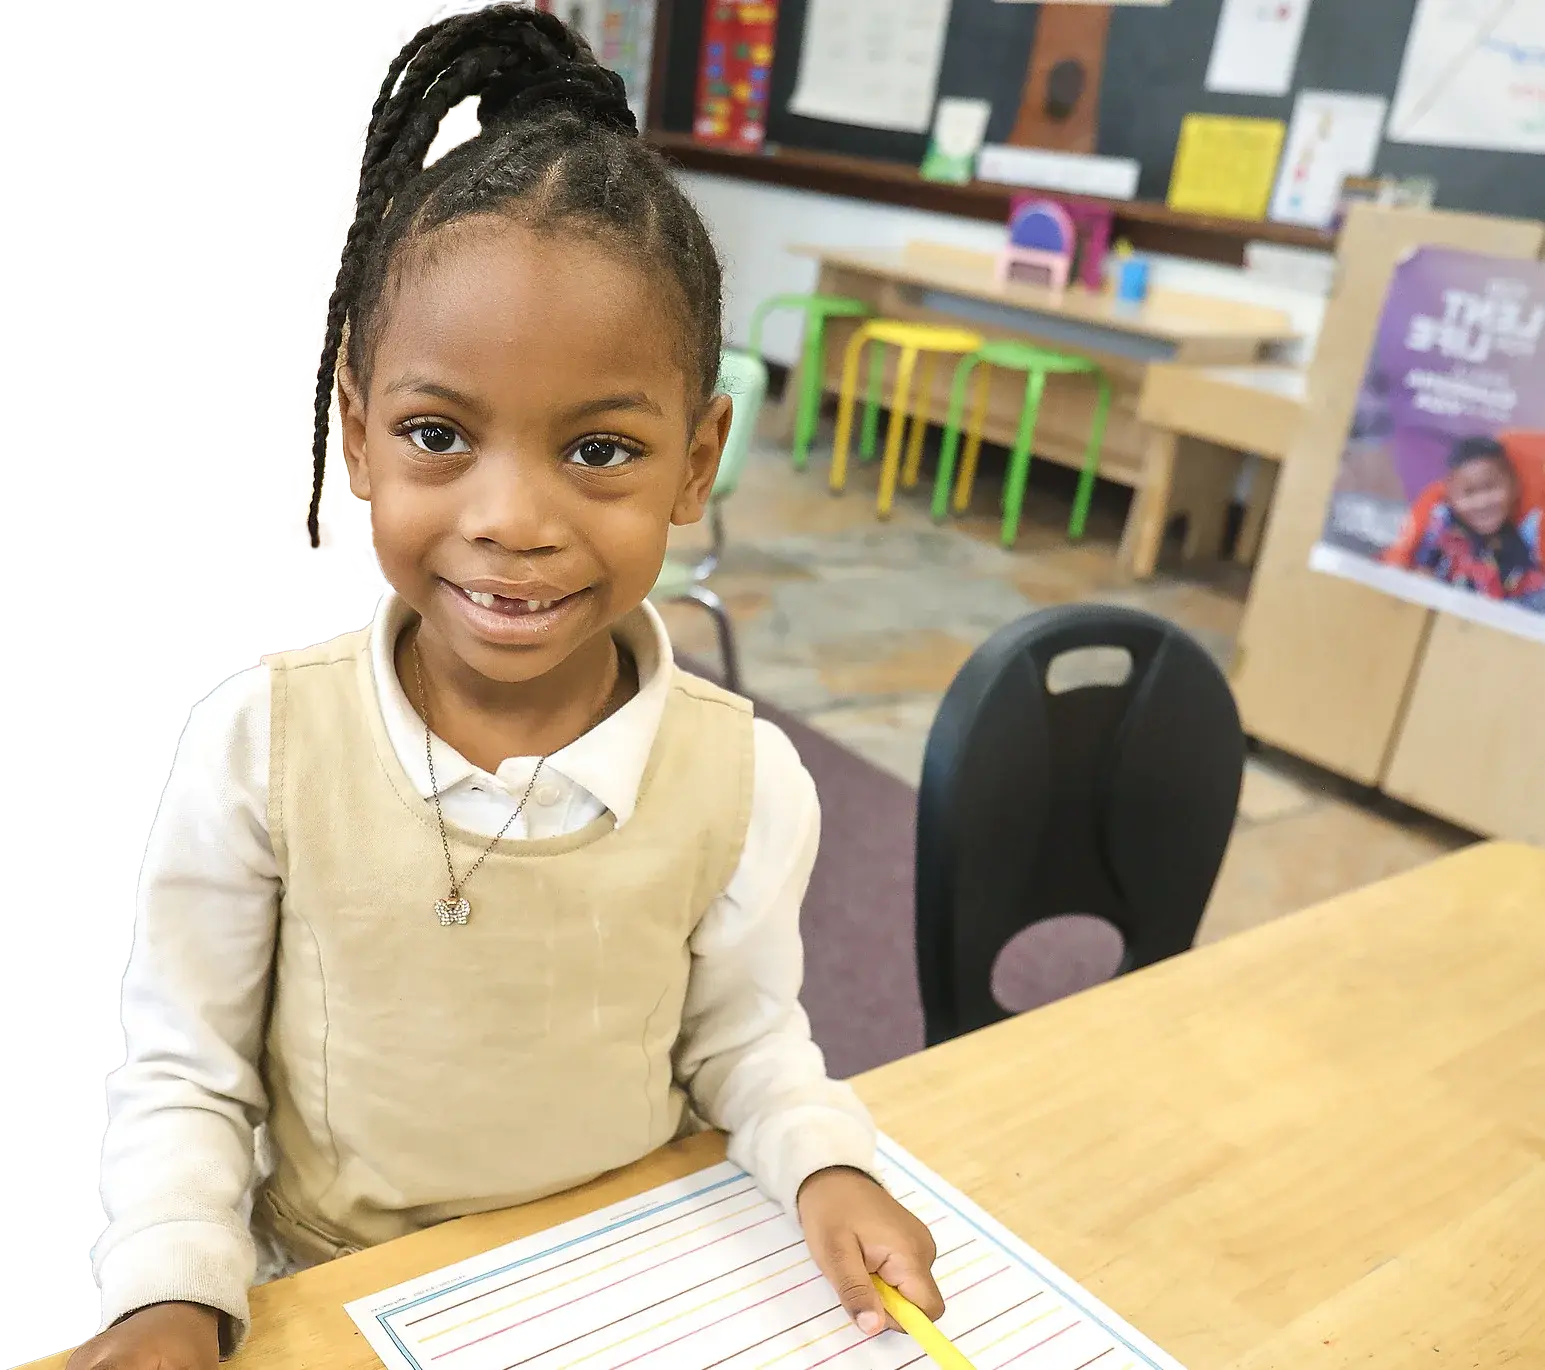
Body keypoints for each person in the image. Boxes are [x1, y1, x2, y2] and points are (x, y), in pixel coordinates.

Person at [73, 7, 943, 1368]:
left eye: (599, 449)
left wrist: (829, 1166)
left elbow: (748, 1041)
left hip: (632, 1287)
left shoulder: (740, 780)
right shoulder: (261, 751)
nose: (512, 518)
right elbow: (187, 1072)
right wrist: (169, 1296)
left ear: (698, 460)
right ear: (355, 428)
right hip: (343, 1293)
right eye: (437, 435)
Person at [1385, 434, 1545, 609]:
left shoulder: (1530, 538)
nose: (1482, 502)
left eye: (1490, 488)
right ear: (1450, 496)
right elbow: (1405, 568)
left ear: (1514, 486)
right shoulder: (1439, 528)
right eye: (1469, 493)